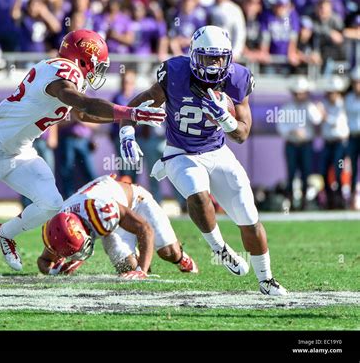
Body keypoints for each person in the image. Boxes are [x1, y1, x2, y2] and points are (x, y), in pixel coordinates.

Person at [0, 29, 166, 296]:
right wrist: (128, 111)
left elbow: (83, 113)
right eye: (96, 64)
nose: (97, 71)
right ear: (82, 59)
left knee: (52, 203)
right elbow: (81, 102)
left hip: (21, 151)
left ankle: (4, 233)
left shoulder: (70, 76)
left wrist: (126, 117)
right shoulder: (61, 72)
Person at [119, 25, 287, 296]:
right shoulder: (175, 73)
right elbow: (136, 105)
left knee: (249, 216)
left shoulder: (237, 79)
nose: (214, 64)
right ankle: (219, 247)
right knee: (198, 194)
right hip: (180, 152)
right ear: (194, 56)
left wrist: (225, 118)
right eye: (207, 58)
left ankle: (266, 279)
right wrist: (127, 132)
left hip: (217, 152)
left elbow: (242, 134)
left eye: (219, 58)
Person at [37, 175, 198, 278]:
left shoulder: (100, 212)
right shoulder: (58, 227)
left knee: (168, 252)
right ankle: (134, 258)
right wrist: (53, 270)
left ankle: (181, 258)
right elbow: (43, 261)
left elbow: (144, 228)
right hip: (108, 216)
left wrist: (141, 270)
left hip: (135, 202)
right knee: (127, 268)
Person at [276, 77, 323, 210]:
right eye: (297, 93)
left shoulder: (310, 106)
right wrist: (293, 131)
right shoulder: (287, 107)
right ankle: (290, 201)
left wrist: (313, 106)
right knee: (291, 173)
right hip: (292, 144)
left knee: (306, 173)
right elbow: (281, 128)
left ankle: (304, 202)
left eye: (301, 92)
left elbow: (317, 120)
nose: (299, 95)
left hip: (306, 145)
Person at [319, 76, 349, 209]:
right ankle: (329, 200)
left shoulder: (343, 104)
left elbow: (337, 123)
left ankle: (340, 199)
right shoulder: (324, 104)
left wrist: (325, 117)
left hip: (340, 143)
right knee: (324, 171)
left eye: (333, 92)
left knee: (338, 171)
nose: (330, 95)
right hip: (328, 142)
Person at [346, 67, 360, 209]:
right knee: (352, 168)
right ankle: (352, 197)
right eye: (355, 83)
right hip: (353, 136)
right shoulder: (348, 98)